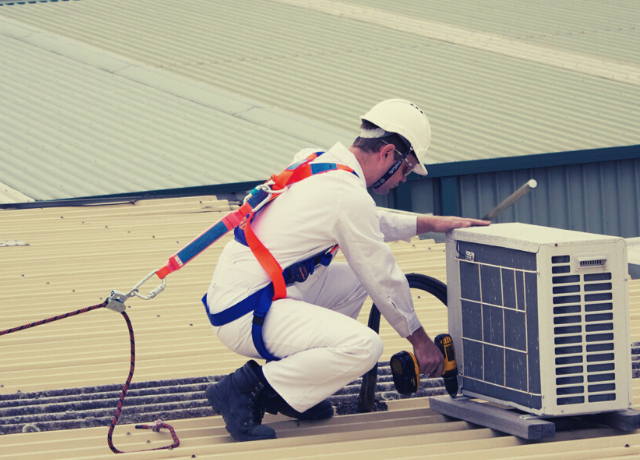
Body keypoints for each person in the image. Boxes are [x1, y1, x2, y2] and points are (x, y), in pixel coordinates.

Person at [203, 99, 489, 441]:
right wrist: (420, 341)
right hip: (245, 310)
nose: (404, 179)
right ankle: (245, 390)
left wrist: (428, 223)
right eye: (406, 169)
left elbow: (361, 219)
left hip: (248, 291)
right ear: (386, 154)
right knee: (364, 348)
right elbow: (381, 272)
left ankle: (298, 393)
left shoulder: (318, 162)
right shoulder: (345, 194)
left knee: (356, 281)